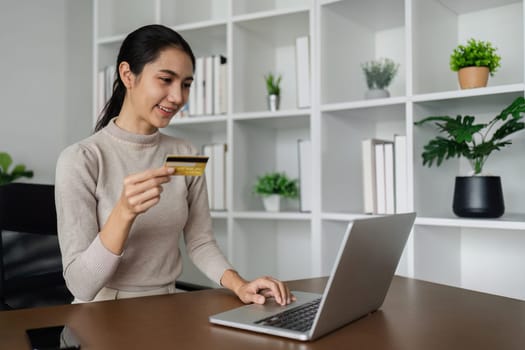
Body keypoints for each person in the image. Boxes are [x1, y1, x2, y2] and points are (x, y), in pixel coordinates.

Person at [55, 24, 294, 306]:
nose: (178, 97)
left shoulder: (184, 153)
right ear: (127, 75)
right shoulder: (81, 159)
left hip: (169, 306)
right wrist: (123, 213)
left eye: (186, 84)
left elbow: (200, 241)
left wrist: (240, 285)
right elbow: (81, 285)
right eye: (166, 80)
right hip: (104, 311)